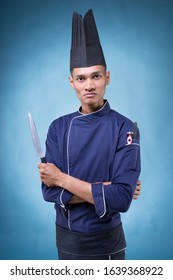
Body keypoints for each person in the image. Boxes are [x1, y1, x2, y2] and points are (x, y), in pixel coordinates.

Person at [38, 9, 141, 260]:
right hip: (67, 237)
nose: (89, 85)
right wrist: (105, 188)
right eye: (81, 78)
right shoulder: (58, 128)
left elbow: (122, 199)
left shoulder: (125, 128)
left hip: (107, 241)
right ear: (71, 82)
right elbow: (48, 193)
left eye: (96, 76)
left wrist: (62, 179)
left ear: (107, 77)